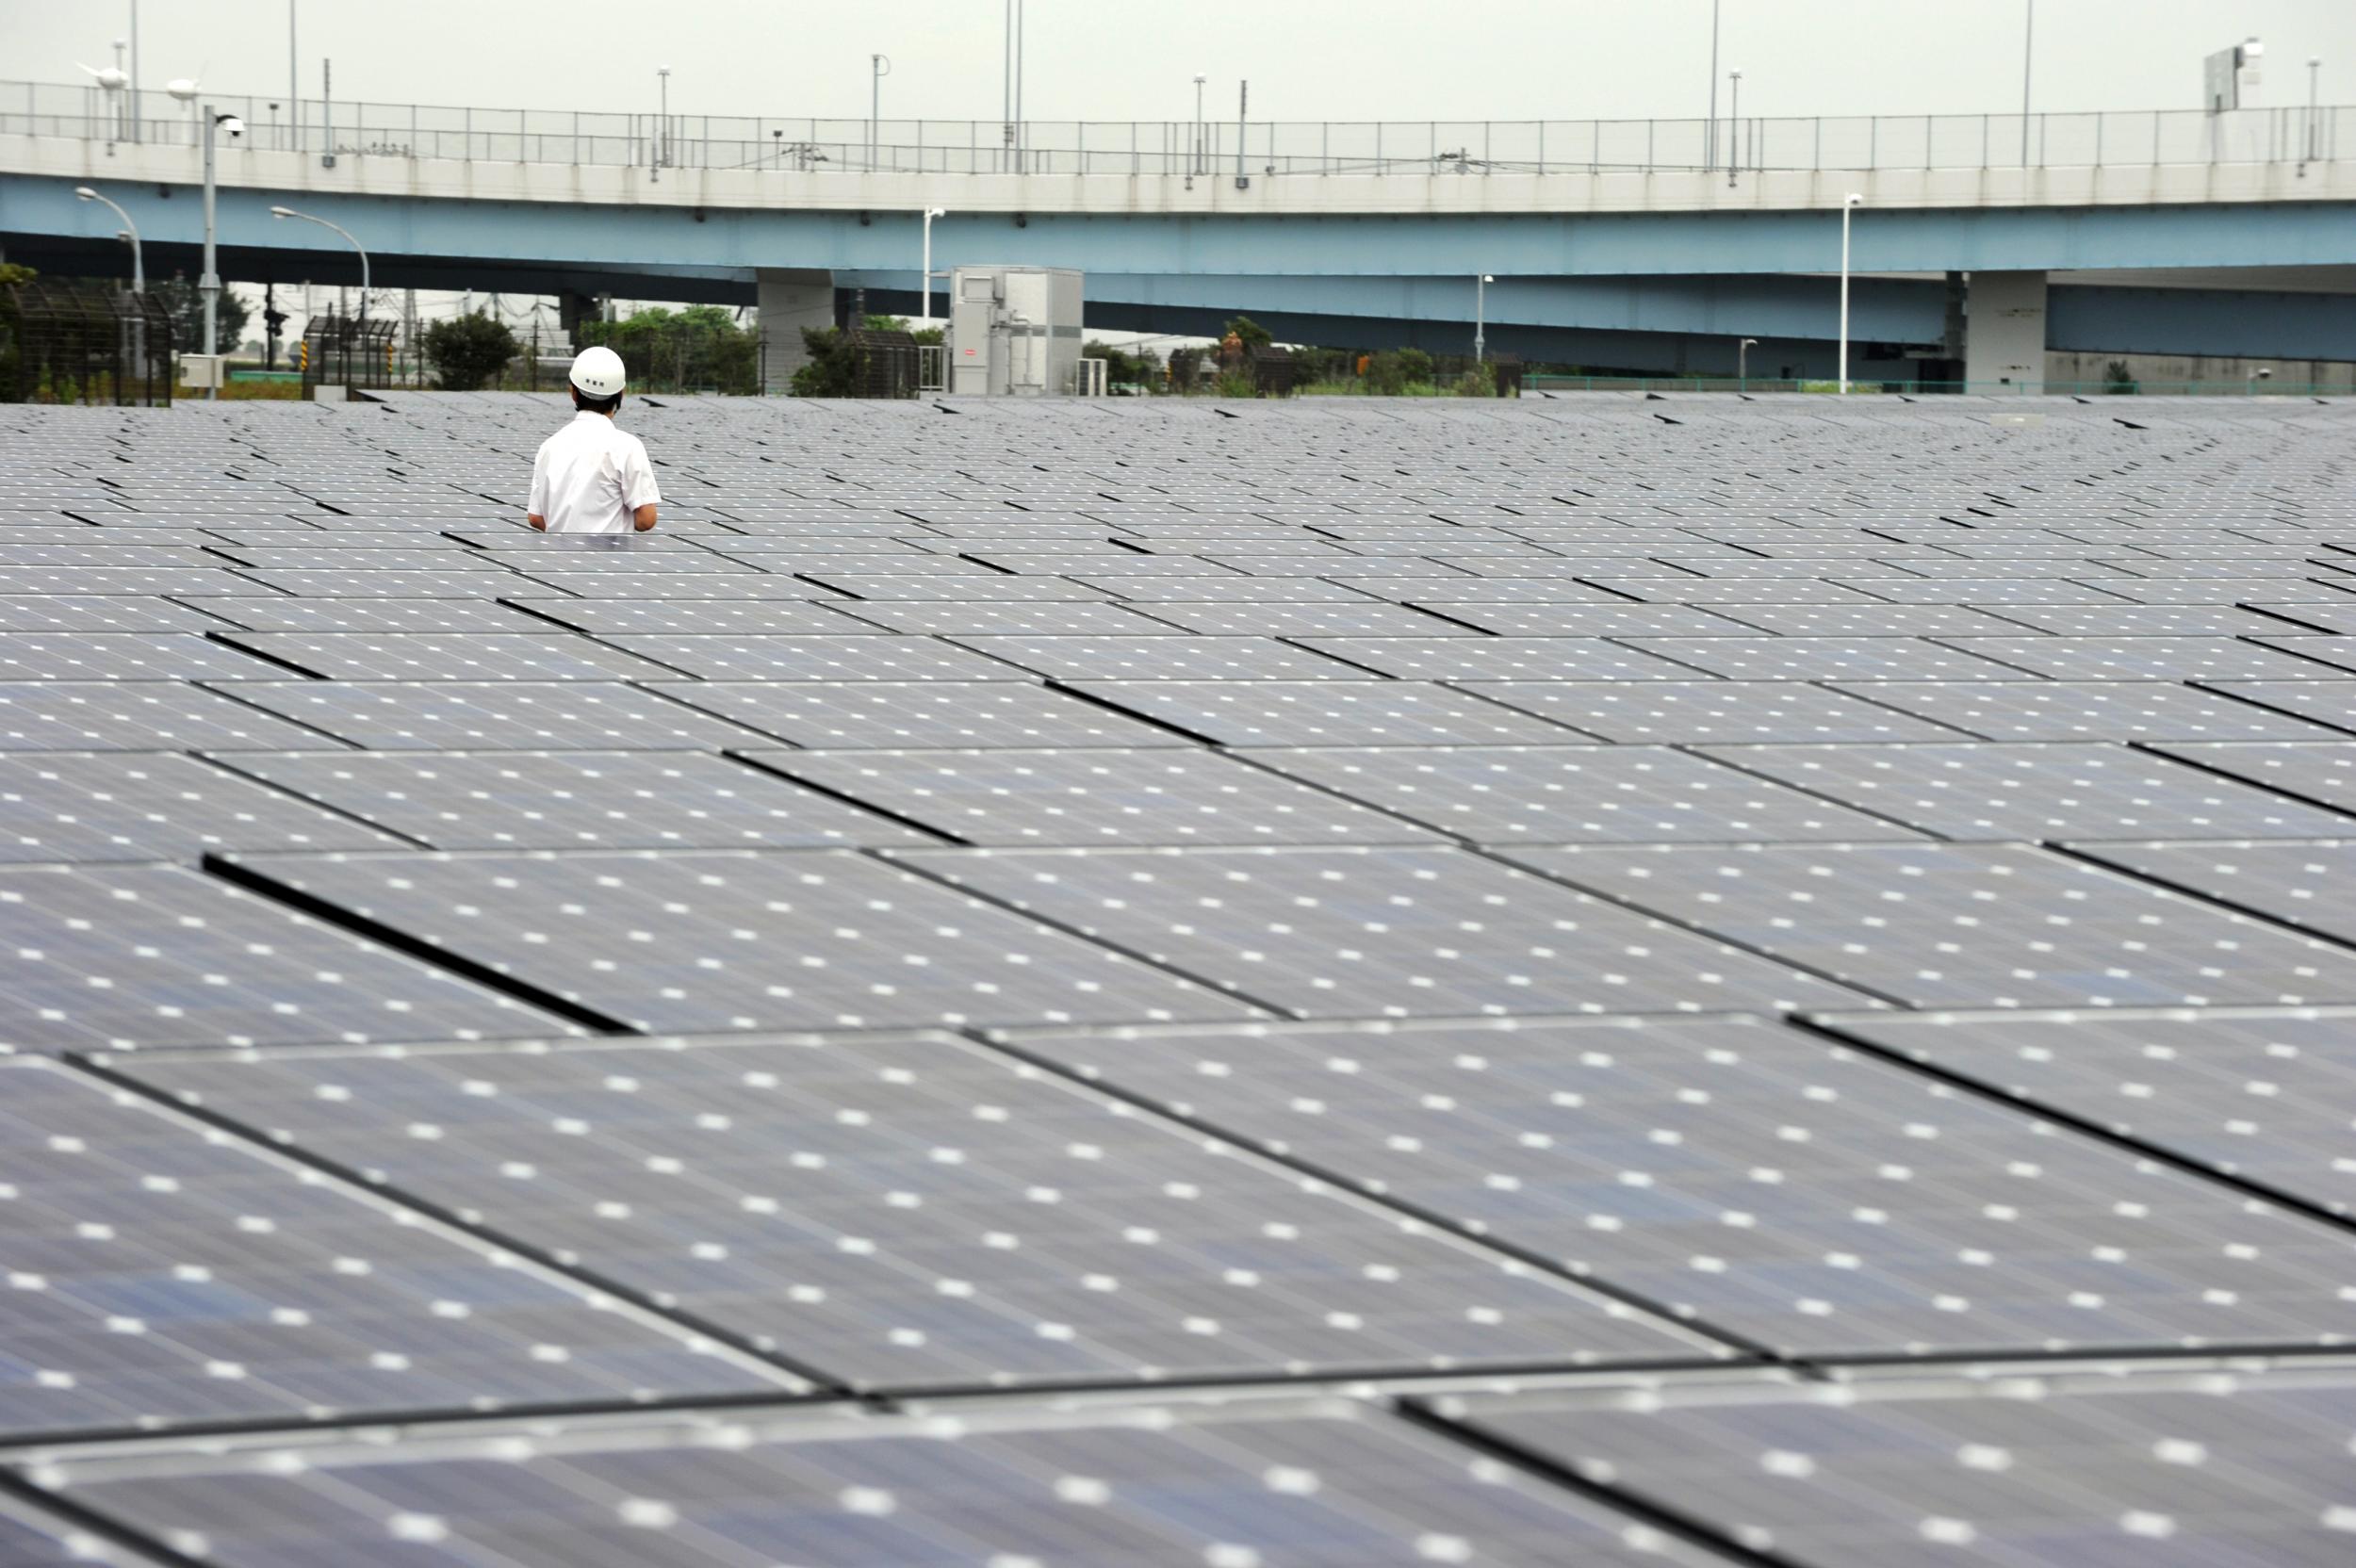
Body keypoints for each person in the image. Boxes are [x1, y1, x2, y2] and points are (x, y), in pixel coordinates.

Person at [527, 346, 660, 534]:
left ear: (573, 392)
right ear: (621, 394)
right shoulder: (627, 447)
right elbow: (646, 519)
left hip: (557, 560)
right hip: (609, 561)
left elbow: (536, 517)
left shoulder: (549, 446)